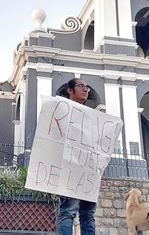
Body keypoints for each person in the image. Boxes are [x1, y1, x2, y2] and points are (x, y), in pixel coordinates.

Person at [57, 78, 96, 235]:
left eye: (87, 87)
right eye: (81, 86)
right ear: (70, 90)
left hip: (89, 170)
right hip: (69, 168)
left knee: (88, 214)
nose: (86, 89)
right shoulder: (61, 111)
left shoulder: (92, 117)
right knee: (68, 211)